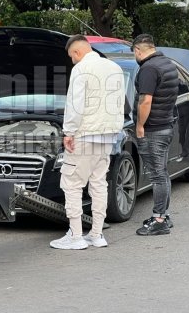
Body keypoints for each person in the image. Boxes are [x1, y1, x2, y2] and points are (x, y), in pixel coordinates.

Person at [50, 35, 125, 250]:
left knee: (71, 183)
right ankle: (97, 234)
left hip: (85, 135)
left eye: (71, 56)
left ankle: (75, 236)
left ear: (77, 53)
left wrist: (69, 132)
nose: (72, 60)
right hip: (108, 134)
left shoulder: (81, 69)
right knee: (99, 183)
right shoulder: (114, 67)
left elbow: (75, 104)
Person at [132, 34, 178, 236]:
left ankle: (159, 219)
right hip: (166, 124)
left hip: (153, 129)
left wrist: (140, 125)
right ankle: (163, 215)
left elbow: (145, 101)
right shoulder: (167, 63)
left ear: (137, 51)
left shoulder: (148, 69)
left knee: (158, 175)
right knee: (163, 172)